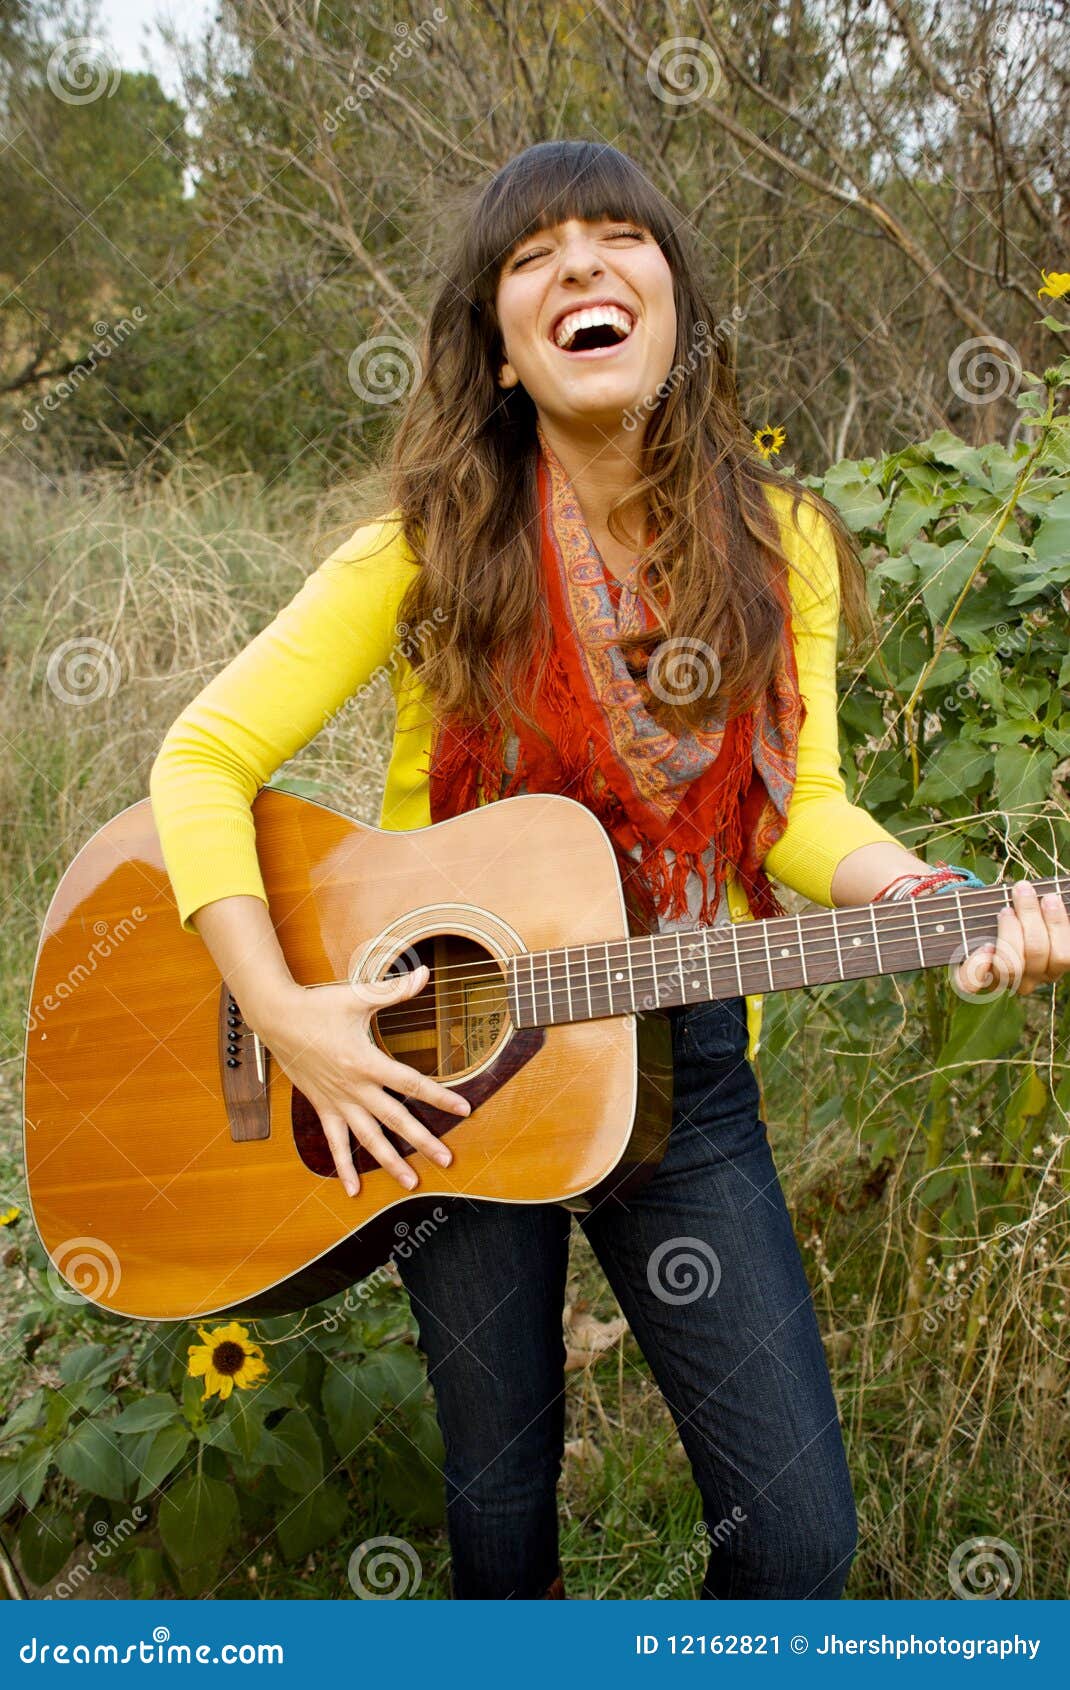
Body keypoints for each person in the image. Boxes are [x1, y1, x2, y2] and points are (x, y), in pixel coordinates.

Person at [149, 140, 1069, 1600]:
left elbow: (796, 808)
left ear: (672, 297)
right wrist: (282, 1010)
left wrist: (921, 900)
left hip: (681, 1051)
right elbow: (198, 762)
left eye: (615, 236)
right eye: (532, 256)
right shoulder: (427, 549)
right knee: (499, 1517)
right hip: (425, 1063)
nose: (578, 264)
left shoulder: (787, 552)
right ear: (502, 351)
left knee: (797, 1537)